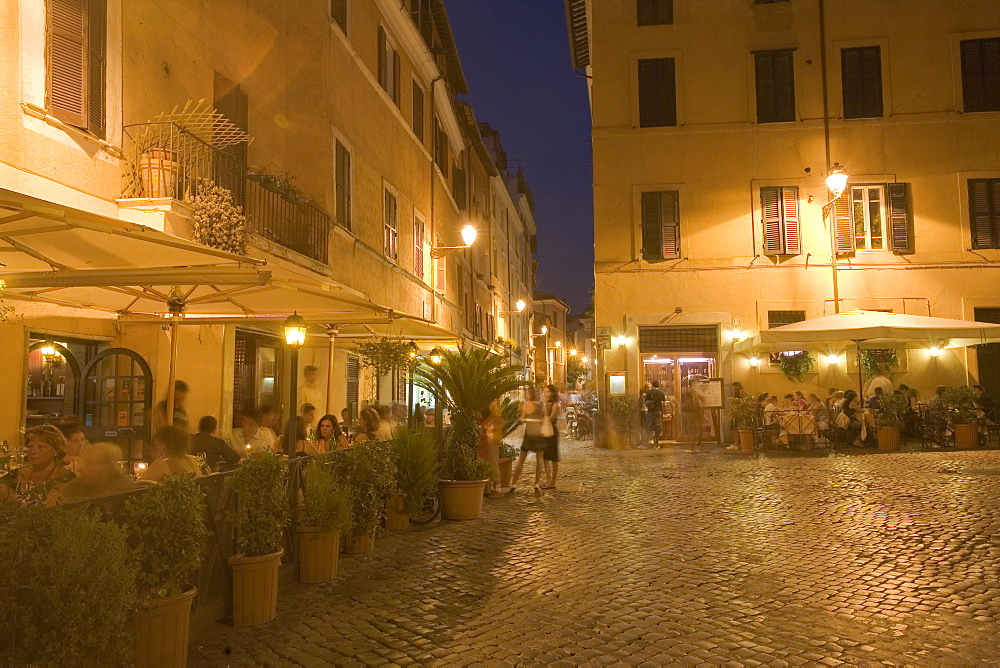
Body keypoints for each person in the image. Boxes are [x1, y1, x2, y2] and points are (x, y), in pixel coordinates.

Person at [0, 425, 75, 506]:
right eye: (30, 446)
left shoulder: (66, 477)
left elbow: (48, 506)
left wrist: (15, 500)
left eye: (40, 446)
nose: (33, 451)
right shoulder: (16, 474)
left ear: (56, 451)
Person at [46, 441, 136, 509]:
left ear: (107, 466)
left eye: (91, 463)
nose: (86, 468)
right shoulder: (82, 482)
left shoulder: (121, 488)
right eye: (87, 463)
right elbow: (53, 502)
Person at [510, 387, 547, 491]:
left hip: (529, 433)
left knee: (521, 459)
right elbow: (544, 418)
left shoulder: (526, 405)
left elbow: (522, 420)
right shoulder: (541, 405)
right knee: (539, 459)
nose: (526, 395)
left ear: (529, 395)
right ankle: (536, 483)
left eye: (527, 394)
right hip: (539, 434)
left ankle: (514, 483)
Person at [479, 401, 506, 496]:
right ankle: (489, 488)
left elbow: (500, 423)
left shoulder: (494, 419)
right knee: (488, 464)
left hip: (491, 443)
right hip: (487, 443)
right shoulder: (490, 419)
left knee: (493, 463)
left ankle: (496, 488)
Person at [540, 384, 562, 489]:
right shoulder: (546, 404)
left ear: (553, 393)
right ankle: (548, 479)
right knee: (545, 457)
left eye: (547, 392)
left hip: (551, 431)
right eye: (544, 392)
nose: (545, 394)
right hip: (544, 430)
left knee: (553, 457)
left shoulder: (555, 405)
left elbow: (551, 418)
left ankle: (553, 481)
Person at [643, 380, 666, 447]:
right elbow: (663, 404)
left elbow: (646, 402)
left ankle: (647, 442)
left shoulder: (649, 392)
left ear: (652, 385)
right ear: (659, 385)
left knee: (648, 427)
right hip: (658, 411)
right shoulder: (661, 393)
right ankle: (656, 442)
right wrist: (664, 412)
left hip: (650, 412)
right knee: (658, 427)